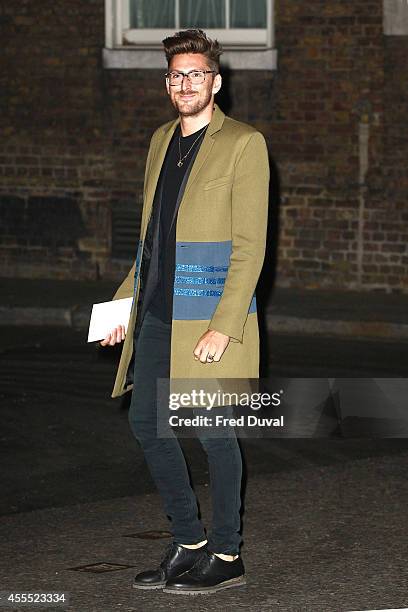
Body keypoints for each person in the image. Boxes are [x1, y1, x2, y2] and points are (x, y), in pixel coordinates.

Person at [100, 28, 270, 595]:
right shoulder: (160, 141)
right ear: (167, 83)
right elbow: (151, 240)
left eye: (196, 74)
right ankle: (189, 541)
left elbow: (251, 246)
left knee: (214, 433)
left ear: (216, 83)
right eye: (176, 75)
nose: (185, 83)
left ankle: (227, 552)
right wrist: (123, 302)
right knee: (147, 424)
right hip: (156, 310)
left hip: (208, 315)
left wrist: (225, 326)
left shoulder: (244, 144)